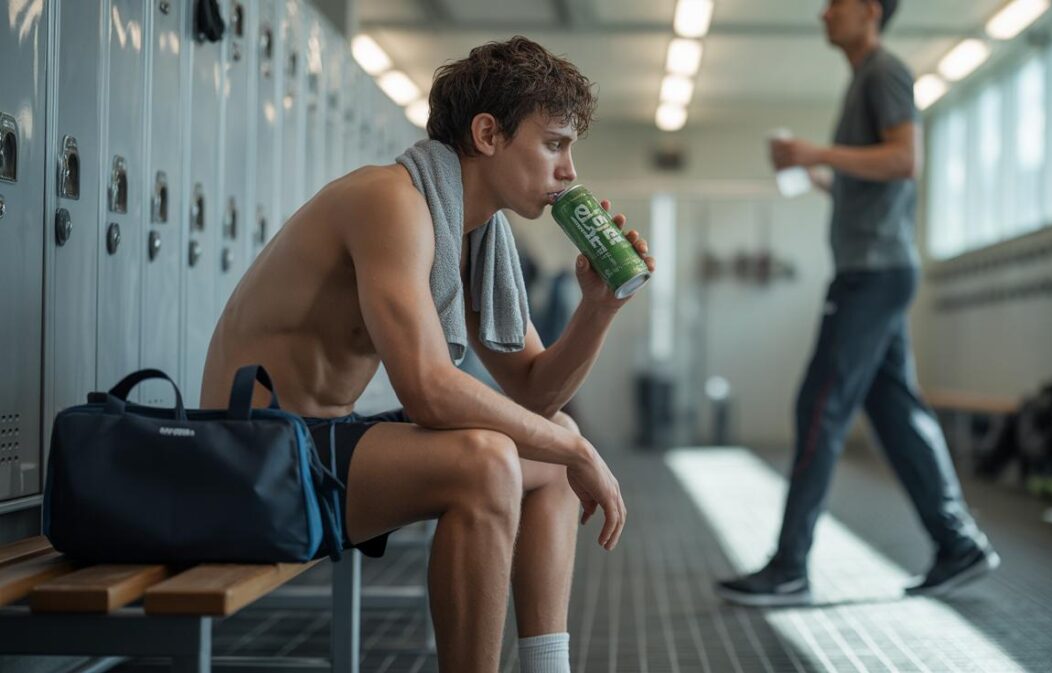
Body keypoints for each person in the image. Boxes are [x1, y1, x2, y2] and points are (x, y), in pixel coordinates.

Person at [200, 37, 653, 673]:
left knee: (552, 438)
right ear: (489, 134)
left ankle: (549, 666)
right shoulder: (391, 202)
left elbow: (532, 392)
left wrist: (598, 308)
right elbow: (429, 392)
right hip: (249, 461)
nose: (570, 170)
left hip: (317, 448)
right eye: (554, 143)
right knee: (493, 458)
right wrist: (577, 452)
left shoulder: (469, 235)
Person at [715, 0, 998, 607]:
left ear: (869, 10)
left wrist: (818, 153)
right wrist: (814, 173)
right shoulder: (863, 81)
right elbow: (869, 178)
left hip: (872, 276)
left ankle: (790, 566)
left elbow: (904, 160)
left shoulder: (884, 71)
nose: (823, 14)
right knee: (896, 413)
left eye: (835, 4)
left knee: (820, 405)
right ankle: (958, 543)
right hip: (876, 270)